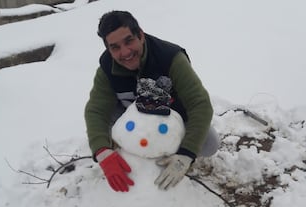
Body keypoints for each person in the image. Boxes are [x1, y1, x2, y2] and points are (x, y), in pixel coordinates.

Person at [85, 10, 219, 192]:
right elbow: (96, 110)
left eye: (129, 40)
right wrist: (102, 152)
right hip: (130, 119)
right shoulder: (107, 68)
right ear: (108, 49)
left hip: (172, 117)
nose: (125, 52)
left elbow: (200, 104)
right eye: (115, 47)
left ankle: (170, 148)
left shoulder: (170, 58)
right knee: (102, 128)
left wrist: (186, 154)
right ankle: (128, 151)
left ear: (140, 34)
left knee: (209, 144)